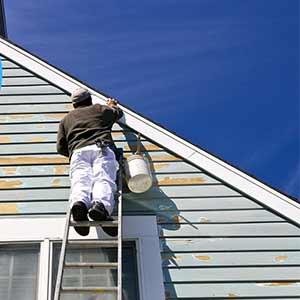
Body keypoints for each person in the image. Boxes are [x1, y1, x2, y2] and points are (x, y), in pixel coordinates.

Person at [56, 88, 123, 236]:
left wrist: (73, 151)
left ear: (74, 104)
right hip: (101, 148)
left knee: (80, 181)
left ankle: (79, 204)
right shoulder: (99, 109)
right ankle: (100, 207)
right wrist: (112, 105)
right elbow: (117, 113)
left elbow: (60, 147)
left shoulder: (66, 120)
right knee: (103, 178)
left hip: (77, 153)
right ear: (90, 100)